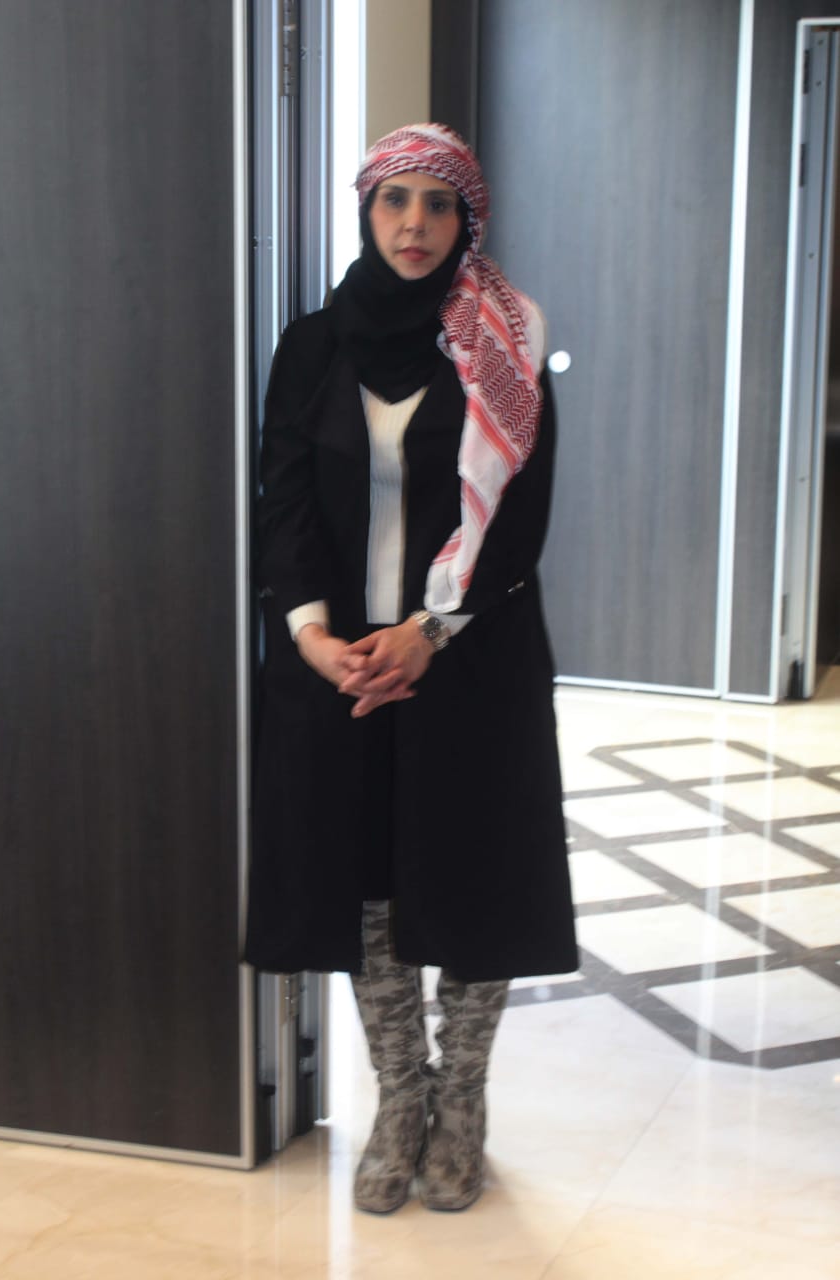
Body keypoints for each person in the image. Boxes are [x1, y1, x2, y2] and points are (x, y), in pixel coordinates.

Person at [245, 123, 577, 1213]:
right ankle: (401, 1096)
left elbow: (518, 522)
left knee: (473, 870)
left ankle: (463, 1100)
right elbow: (284, 501)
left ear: (466, 220)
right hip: (341, 661)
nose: (415, 224)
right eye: (396, 201)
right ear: (367, 212)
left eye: (439, 204)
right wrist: (310, 634)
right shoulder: (312, 345)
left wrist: (428, 632)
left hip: (471, 659)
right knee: (367, 875)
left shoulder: (504, 343)